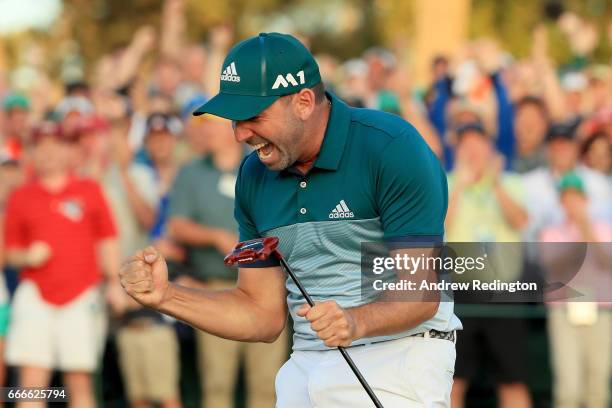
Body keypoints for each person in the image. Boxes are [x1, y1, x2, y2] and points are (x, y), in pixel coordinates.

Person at [121, 32, 461, 407]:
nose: (239, 134)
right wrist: (166, 296)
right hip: (305, 362)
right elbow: (261, 315)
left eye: (253, 117)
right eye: (234, 121)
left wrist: (354, 321)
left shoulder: (391, 147)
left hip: (399, 357)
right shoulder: (253, 174)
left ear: (303, 102)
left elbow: (419, 294)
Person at [168, 115, 287, 408]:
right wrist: (214, 236)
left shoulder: (264, 164)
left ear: (231, 127)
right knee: (217, 383)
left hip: (267, 288)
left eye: (210, 124)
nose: (204, 131)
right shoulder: (192, 171)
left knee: (267, 383)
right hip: (216, 287)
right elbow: (176, 225)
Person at [3, 121, 123, 408]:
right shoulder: (21, 196)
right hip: (35, 294)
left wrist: (114, 283)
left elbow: (107, 239)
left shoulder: (89, 189)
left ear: (69, 150)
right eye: (40, 146)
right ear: (31, 152)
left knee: (79, 380)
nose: (48, 153)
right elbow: (9, 252)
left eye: (55, 145)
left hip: (81, 294)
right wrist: (27, 256)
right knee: (32, 381)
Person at [444, 121, 532, 408]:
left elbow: (520, 221)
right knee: (453, 381)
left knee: (513, 380)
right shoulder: (445, 182)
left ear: (490, 148)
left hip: (503, 292)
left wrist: (494, 184)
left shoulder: (512, 182)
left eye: (478, 144)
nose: (473, 151)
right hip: (461, 293)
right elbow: (437, 228)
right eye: (465, 144)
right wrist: (460, 185)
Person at [539, 173, 611, 408]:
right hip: (564, 311)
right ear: (561, 202)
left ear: (586, 200)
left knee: (598, 386)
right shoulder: (551, 233)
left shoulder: (604, 229)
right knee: (568, 388)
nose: (572, 203)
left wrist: (586, 230)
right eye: (567, 198)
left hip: (600, 311)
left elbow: (607, 262)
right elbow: (552, 264)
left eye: (576, 198)